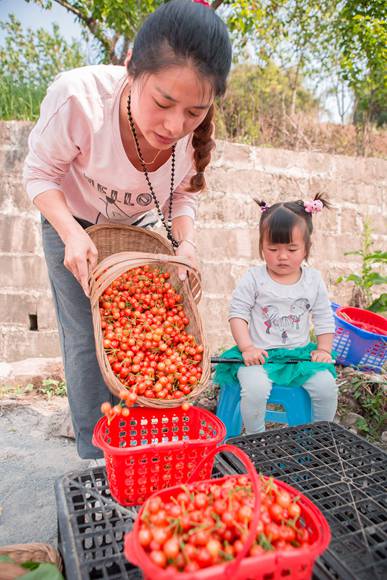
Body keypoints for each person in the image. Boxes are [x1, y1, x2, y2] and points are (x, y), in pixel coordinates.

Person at [23, 0, 232, 459]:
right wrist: (72, 235)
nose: (175, 126)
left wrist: (186, 244)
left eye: (194, 112)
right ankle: (95, 455)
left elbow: (183, 196)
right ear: (131, 69)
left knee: (139, 329)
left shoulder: (191, 141)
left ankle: (140, 440)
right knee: (83, 336)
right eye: (162, 103)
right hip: (70, 220)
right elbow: (38, 174)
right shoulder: (79, 99)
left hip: (137, 230)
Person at [225, 194, 338, 434]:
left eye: (292, 248)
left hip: (298, 358)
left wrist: (323, 350)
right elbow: (237, 314)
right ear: (261, 247)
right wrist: (247, 348)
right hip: (259, 356)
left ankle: (321, 436)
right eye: (273, 249)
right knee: (254, 389)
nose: (282, 256)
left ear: (307, 248)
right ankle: (256, 437)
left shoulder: (313, 280)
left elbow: (323, 317)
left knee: (326, 386)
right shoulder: (255, 278)